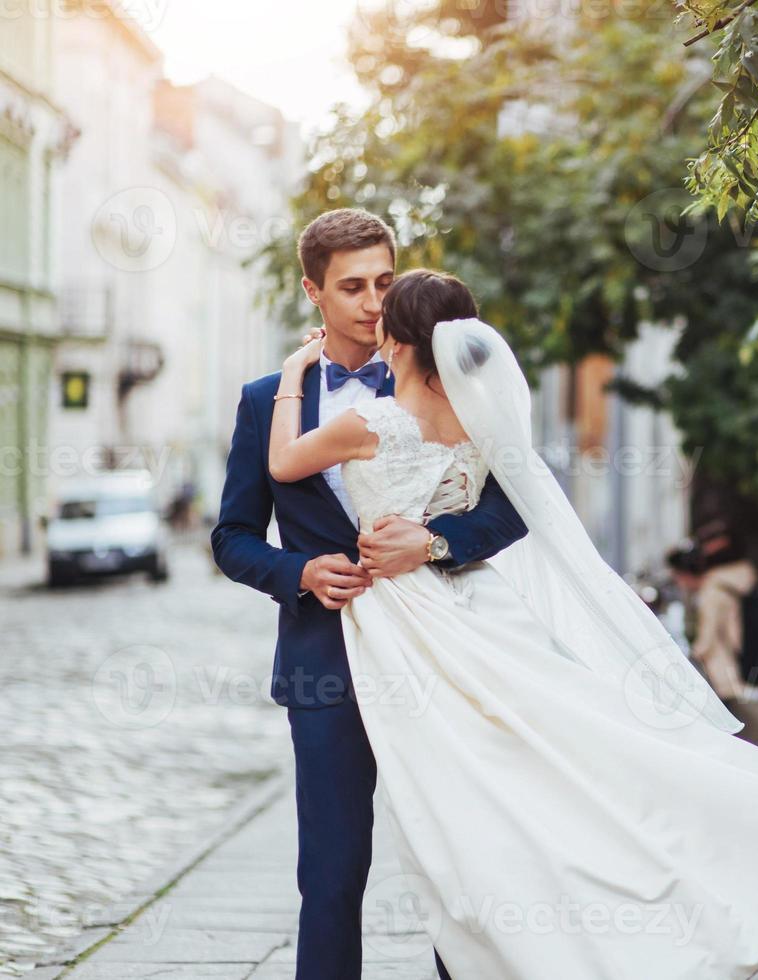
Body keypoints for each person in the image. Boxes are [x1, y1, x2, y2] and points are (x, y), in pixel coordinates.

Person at [263, 266, 758, 977]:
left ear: (402, 339)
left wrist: (295, 369)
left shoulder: (370, 423)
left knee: (453, 807)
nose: (374, 320)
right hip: (471, 618)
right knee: (524, 780)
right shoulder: (478, 425)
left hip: (406, 624)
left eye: (386, 308)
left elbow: (287, 462)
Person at [211, 209, 530, 980]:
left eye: (385, 282)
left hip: (444, 655)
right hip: (327, 663)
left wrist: (436, 541)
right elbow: (232, 536)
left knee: (460, 864)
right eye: (351, 286)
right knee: (330, 873)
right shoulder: (266, 401)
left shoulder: (446, 381)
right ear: (312, 292)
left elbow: (516, 504)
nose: (372, 302)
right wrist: (299, 574)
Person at [667, 521, 758, 703]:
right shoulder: (728, 584)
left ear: (686, 574)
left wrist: (686, 658)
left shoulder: (711, 592)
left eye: (677, 577)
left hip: (725, 676)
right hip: (740, 661)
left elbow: (707, 638)